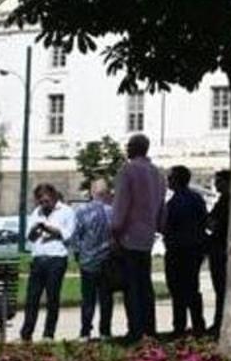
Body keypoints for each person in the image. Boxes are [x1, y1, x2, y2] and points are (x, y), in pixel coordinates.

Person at [110, 133, 165, 342]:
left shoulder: (128, 170)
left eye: (129, 145)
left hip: (129, 235)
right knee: (145, 284)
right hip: (148, 236)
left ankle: (136, 329)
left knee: (131, 285)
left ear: (134, 148)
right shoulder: (158, 173)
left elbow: (121, 203)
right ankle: (149, 327)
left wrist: (115, 230)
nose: (127, 148)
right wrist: (159, 226)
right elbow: (162, 207)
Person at [18, 183, 75, 342]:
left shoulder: (66, 212)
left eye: (46, 201)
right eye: (40, 202)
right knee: (32, 298)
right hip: (38, 259)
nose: (43, 205)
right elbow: (29, 238)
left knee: (52, 298)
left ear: (54, 197)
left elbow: (68, 235)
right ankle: (26, 333)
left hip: (56, 259)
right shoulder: (37, 212)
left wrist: (49, 228)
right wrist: (35, 229)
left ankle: (48, 334)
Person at [160, 166, 208, 335]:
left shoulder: (173, 204)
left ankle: (179, 325)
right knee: (193, 288)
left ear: (176, 180)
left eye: (170, 178)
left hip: (177, 249)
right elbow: (205, 221)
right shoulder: (197, 199)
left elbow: (166, 227)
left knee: (177, 289)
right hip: (195, 248)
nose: (168, 181)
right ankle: (198, 323)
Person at [69, 180, 114, 340]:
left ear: (92, 192)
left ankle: (85, 331)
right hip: (107, 260)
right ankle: (105, 331)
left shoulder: (82, 211)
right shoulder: (113, 211)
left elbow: (75, 236)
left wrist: (78, 255)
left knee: (88, 298)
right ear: (106, 193)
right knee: (106, 298)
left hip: (87, 261)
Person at [202, 170, 231, 334]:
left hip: (221, 248)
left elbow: (213, 223)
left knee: (221, 288)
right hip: (222, 247)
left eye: (219, 181)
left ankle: (220, 323)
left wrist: (209, 222)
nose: (216, 184)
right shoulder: (224, 200)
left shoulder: (226, 201)